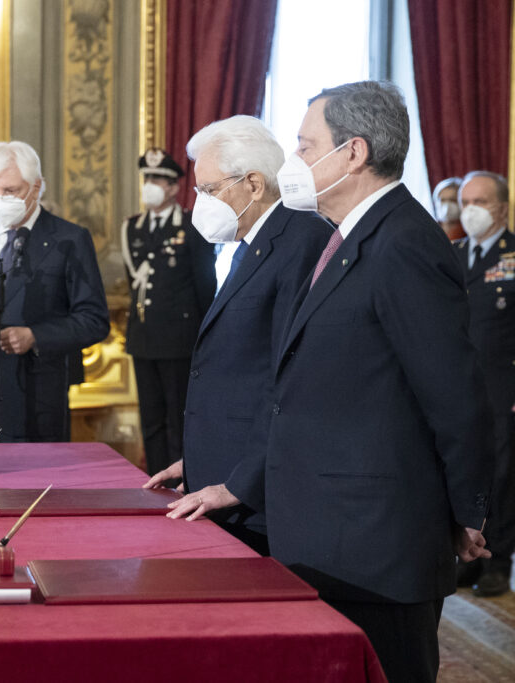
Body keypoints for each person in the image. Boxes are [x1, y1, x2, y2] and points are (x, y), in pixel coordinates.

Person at [166, 81, 493, 682]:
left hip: (379, 546)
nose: (293, 159)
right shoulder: (349, 239)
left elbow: (454, 396)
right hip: (332, 534)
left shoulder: (403, 242)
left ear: (353, 153)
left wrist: (467, 512)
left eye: (305, 144)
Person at [143, 116, 332, 555]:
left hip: (260, 496)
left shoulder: (301, 243)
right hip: (228, 475)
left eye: (208, 190)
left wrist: (239, 482)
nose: (200, 203)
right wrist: (203, 458)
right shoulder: (253, 244)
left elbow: (288, 384)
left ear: (253, 184)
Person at [0, 141, 109, 442]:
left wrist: (35, 336)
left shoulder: (69, 238)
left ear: (36, 187)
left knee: (30, 487)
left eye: (11, 191)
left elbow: (94, 320)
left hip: (35, 398)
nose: (1, 199)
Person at [120, 148, 215, 476]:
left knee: (178, 417)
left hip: (179, 339)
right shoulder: (132, 227)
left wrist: (206, 337)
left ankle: (181, 478)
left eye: (159, 180)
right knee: (151, 418)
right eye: (148, 179)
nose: (151, 185)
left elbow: (205, 284)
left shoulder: (192, 225)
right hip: (143, 337)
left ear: (174, 187)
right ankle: (155, 478)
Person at [454, 170, 515, 597]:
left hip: (503, 385)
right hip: (458, 385)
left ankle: (499, 561)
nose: (471, 210)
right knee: (465, 470)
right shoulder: (452, 253)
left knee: (503, 475)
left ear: (503, 208)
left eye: (481, 201)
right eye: (466, 201)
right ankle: (469, 556)